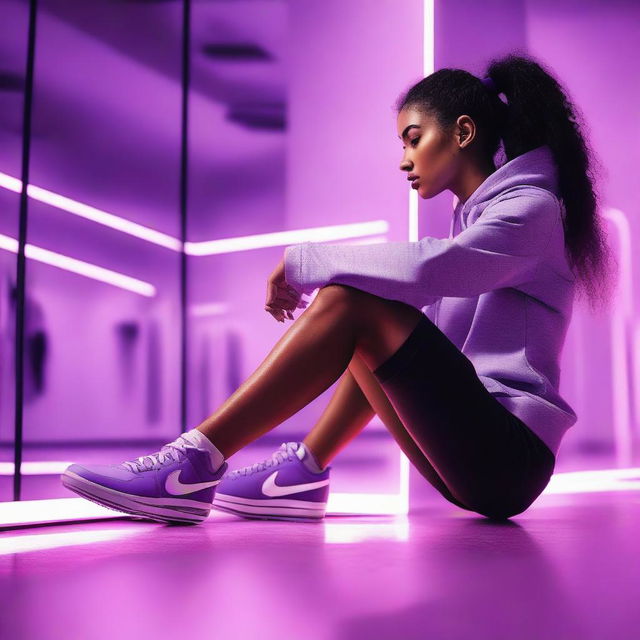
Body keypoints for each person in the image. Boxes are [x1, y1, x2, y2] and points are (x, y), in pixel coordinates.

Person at [61, 52, 616, 525]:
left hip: (509, 457)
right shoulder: (479, 216)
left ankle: (193, 464)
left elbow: (433, 268)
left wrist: (305, 262)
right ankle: (303, 473)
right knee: (370, 304)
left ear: (463, 132)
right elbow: (421, 322)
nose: (404, 161)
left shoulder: (532, 210)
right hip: (477, 456)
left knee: (353, 300)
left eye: (413, 139)